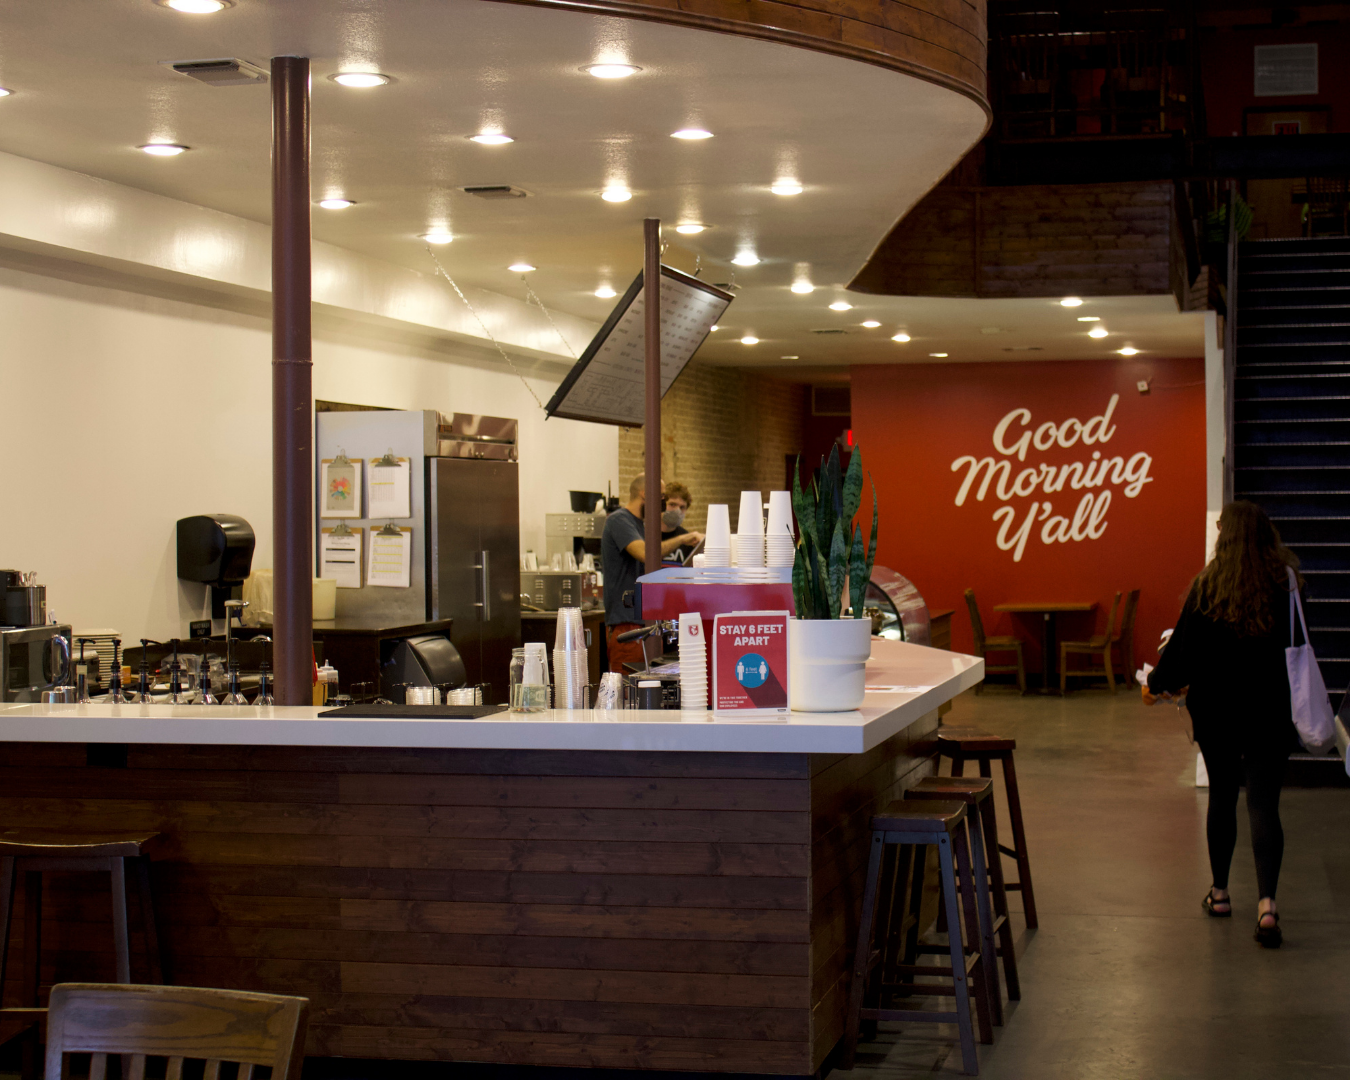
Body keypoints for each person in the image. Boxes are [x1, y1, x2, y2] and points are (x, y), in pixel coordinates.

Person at [1144, 500, 1300, 948]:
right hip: (1270, 710)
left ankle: (1221, 893)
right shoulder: (1286, 585)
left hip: (1218, 713)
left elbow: (1183, 654)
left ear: (1226, 537)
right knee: (1265, 806)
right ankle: (1267, 906)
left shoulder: (1208, 586)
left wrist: (1156, 682)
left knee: (1223, 799)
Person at [601, 475, 703, 672]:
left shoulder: (640, 525)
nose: (663, 503)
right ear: (645, 494)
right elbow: (645, 553)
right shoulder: (619, 521)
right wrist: (683, 538)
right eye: (662, 496)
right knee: (629, 690)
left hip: (645, 624)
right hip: (628, 626)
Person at [661, 481, 695, 565]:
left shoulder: (688, 541)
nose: (677, 510)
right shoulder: (642, 534)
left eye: (682, 507)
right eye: (672, 504)